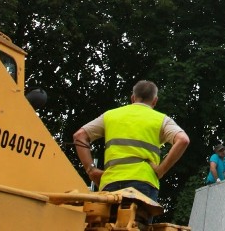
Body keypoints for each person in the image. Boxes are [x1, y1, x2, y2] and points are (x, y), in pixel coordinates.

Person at [73, 80, 190, 221]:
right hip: (143, 183)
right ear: (155, 100)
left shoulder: (111, 115)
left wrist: (90, 169)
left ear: (133, 98)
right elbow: (183, 140)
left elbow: (79, 136)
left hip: (111, 182)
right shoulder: (161, 120)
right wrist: (161, 170)